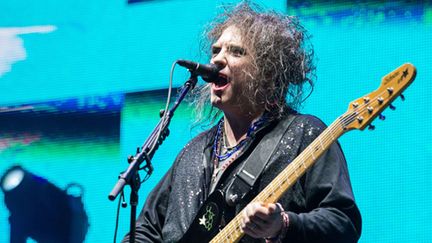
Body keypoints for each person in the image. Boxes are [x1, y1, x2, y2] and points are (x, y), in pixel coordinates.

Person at [122, 2, 361, 242]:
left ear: (267, 72)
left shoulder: (304, 134)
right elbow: (145, 230)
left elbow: (343, 222)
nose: (217, 60)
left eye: (236, 52)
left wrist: (284, 224)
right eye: (215, 51)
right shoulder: (192, 154)